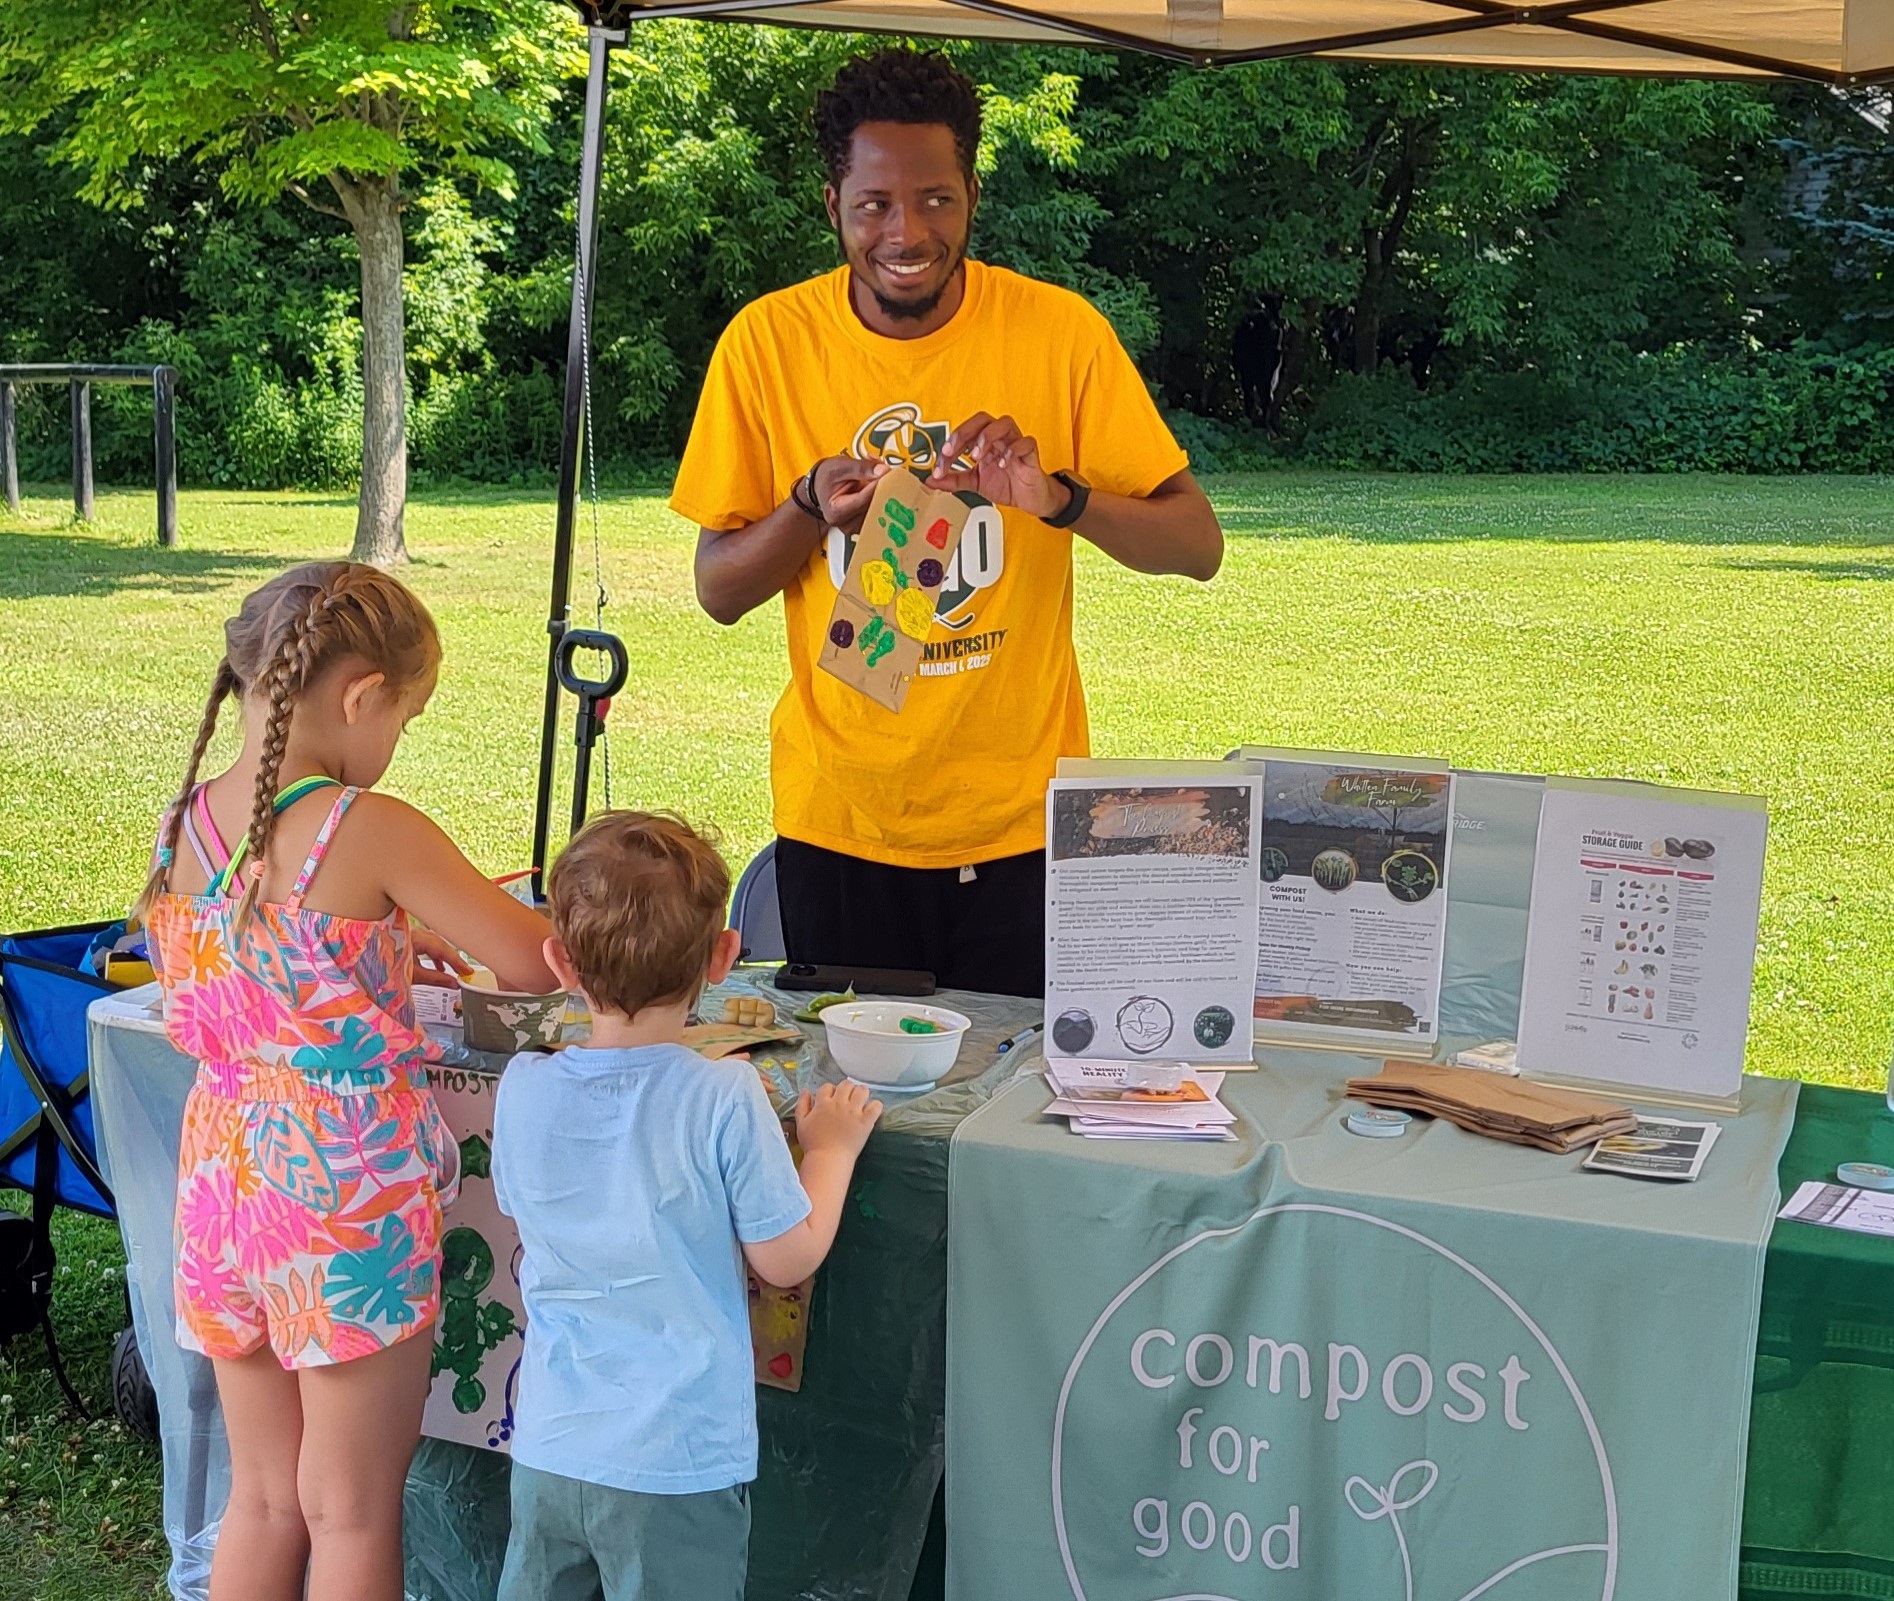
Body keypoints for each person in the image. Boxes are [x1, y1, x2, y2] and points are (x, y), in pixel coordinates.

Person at [673, 48, 1223, 999]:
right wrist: (807, 507)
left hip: (1027, 828)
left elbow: (1197, 545)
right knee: (860, 1120)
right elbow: (718, 591)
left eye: (935, 199)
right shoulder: (767, 344)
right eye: (875, 203)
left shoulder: (1058, 332)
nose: (907, 231)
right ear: (832, 203)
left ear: (972, 192)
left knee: (1011, 1116)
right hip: (841, 822)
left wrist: (1062, 500)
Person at [135, 562, 559, 1601]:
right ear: (363, 695)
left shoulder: (190, 819)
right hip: (341, 1192)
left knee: (268, 1496)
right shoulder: (367, 825)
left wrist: (380, 956)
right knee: (353, 1506)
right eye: (405, 717)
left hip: (226, 1179)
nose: (395, 743)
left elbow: (260, 965)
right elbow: (534, 960)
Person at [492, 810, 883, 1601]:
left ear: (560, 960)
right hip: (675, 1460)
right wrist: (833, 1151)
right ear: (726, 955)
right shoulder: (722, 1091)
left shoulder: (523, 1085)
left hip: (549, 1443)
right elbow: (786, 1257)